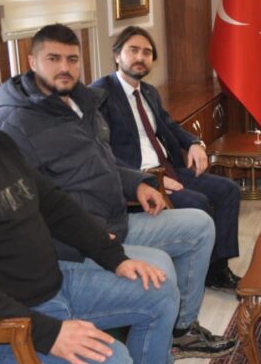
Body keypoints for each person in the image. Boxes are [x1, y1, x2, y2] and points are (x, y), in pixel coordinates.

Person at [0, 24, 236, 364]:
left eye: (72, 59)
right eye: (53, 58)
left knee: (199, 225)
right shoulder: (14, 124)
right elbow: (29, 206)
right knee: (159, 272)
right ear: (31, 61)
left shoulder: (80, 102)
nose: (65, 67)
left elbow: (104, 163)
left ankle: (182, 330)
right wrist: (93, 238)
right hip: (79, 242)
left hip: (118, 218)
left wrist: (138, 183)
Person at [0, 61, 194, 364]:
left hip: (55, 284)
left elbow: (55, 205)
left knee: (160, 290)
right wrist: (48, 333)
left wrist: (115, 258)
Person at [91, 26, 242, 290]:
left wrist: (194, 143)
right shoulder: (100, 95)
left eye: (147, 52)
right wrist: (150, 180)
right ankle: (194, 272)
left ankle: (217, 270)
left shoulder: (149, 92)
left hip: (169, 169)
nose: (140, 57)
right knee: (198, 203)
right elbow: (103, 153)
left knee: (229, 190)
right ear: (116, 55)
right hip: (139, 180)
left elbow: (170, 126)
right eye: (133, 50)